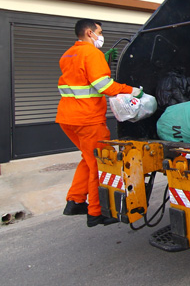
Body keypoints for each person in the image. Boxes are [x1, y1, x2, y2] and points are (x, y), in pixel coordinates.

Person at [56, 19, 142, 227]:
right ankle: (95, 212)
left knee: (87, 159)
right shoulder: (92, 54)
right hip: (88, 120)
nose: (101, 36)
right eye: (99, 32)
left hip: (67, 118)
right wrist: (132, 91)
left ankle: (75, 200)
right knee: (97, 163)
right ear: (89, 32)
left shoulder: (67, 54)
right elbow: (105, 86)